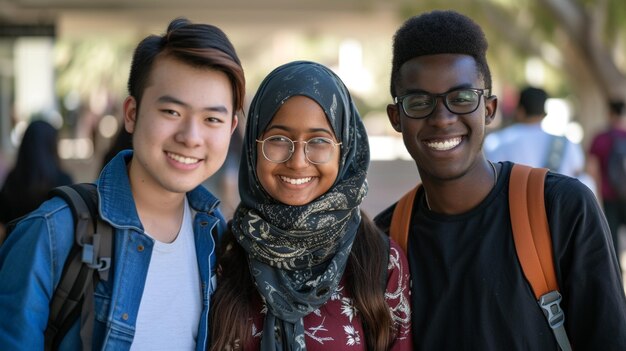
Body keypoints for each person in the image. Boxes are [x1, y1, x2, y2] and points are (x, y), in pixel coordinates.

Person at [374, 10, 626, 350]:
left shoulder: (561, 208)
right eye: (419, 102)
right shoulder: (386, 240)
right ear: (396, 118)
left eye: (461, 99)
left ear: (489, 109)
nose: (442, 118)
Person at [0, 17, 245, 350]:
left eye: (212, 119)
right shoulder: (52, 233)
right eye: (172, 112)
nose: (191, 137)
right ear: (131, 113)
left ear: (230, 129)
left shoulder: (217, 238)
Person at [210, 61, 412, 350]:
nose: (297, 161)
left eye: (319, 141)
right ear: (254, 145)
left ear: (345, 148)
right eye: (278, 139)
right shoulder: (222, 254)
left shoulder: (380, 262)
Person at [484, 86, 586, 178]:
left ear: (520, 111)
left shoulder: (496, 141)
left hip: (512, 198)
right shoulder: (566, 144)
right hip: (559, 199)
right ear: (544, 114)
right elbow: (578, 172)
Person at [0, 119, 73, 242]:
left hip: (16, 251)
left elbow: (3, 219)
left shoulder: (11, 180)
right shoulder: (63, 180)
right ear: (53, 145)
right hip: (52, 253)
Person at [588, 99, 626, 270]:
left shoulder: (600, 138)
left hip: (608, 196)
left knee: (612, 239)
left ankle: (616, 274)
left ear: (609, 113)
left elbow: (592, 169)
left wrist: (597, 195)